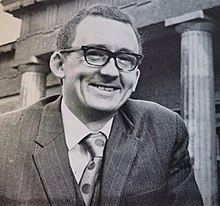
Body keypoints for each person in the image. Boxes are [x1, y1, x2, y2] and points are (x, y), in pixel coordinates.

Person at [0, 4, 203, 206]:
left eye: (125, 59)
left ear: (136, 77)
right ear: (59, 65)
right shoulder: (6, 137)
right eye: (95, 54)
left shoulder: (166, 130)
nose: (111, 72)